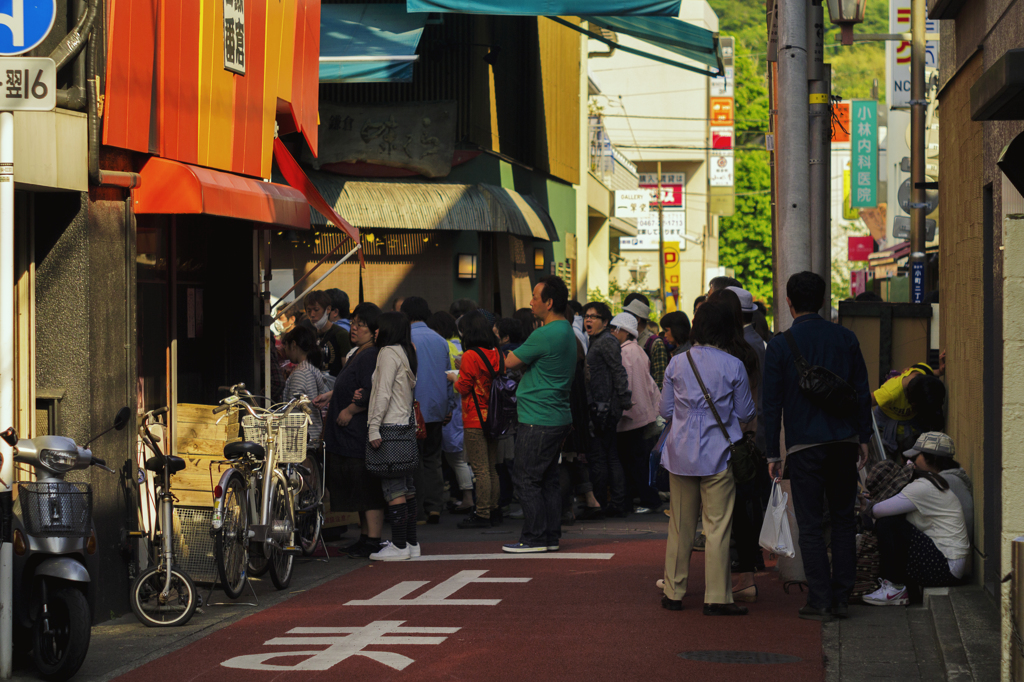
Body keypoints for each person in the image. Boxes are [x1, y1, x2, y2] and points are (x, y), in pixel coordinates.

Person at [762, 271, 872, 621]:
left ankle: (820, 600)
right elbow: (860, 390)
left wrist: (772, 453)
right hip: (843, 441)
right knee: (842, 520)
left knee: (809, 525)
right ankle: (842, 597)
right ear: (823, 300)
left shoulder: (781, 345)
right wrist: (864, 437)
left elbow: (771, 404)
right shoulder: (846, 338)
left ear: (789, 302)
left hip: (803, 446)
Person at [659, 300, 756, 616]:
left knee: (680, 526)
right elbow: (745, 412)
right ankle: (716, 597)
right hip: (719, 452)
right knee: (717, 527)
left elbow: (666, 411)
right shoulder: (733, 365)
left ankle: (673, 591)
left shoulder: (677, 361)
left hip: (680, 452)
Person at [502, 276, 578, 552]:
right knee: (547, 479)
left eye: (535, 297)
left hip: (538, 417)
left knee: (526, 478)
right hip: (556, 415)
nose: (530, 302)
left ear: (549, 302)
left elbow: (509, 362)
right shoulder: (566, 330)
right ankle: (549, 536)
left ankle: (534, 537)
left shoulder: (544, 333)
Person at [864, 433, 971, 605]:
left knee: (888, 523)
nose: (910, 460)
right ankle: (895, 587)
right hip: (949, 562)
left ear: (931, 458)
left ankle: (894, 588)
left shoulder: (924, 486)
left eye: (915, 455)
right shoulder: (937, 480)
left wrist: (866, 503)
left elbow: (878, 511)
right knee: (893, 523)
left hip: (946, 566)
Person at [323, 303, 386, 559]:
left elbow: (371, 391)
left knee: (366, 487)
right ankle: (364, 537)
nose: (355, 327)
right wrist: (330, 395)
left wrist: (350, 410)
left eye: (361, 324)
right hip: (346, 435)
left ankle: (373, 539)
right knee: (357, 489)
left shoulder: (370, 355)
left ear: (374, 331)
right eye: (354, 322)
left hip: (358, 433)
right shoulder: (359, 352)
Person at [367, 311, 420, 561]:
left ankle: (399, 546)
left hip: (389, 427)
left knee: (393, 487)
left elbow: (382, 393)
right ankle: (410, 542)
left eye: (378, 328)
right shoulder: (406, 351)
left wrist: (373, 426)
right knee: (407, 487)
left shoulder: (388, 353)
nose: (375, 331)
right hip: (405, 427)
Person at [401, 296, 454, 525]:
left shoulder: (404, 339)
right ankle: (435, 507)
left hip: (412, 409)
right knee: (433, 459)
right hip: (436, 408)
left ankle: (419, 510)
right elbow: (449, 376)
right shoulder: (440, 340)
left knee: (415, 461)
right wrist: (448, 406)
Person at [452, 311, 504, 529]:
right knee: (491, 467)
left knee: (480, 469)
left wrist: (454, 378)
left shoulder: (470, 356)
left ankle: (482, 513)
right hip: (494, 416)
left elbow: (463, 386)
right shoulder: (497, 353)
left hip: (474, 417)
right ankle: (493, 510)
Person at [609, 313, 662, 515]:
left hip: (629, 415)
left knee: (632, 462)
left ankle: (649, 500)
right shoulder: (639, 350)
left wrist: (622, 409)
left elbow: (625, 385)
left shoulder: (623, 354)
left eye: (616, 329)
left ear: (624, 331)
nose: (613, 333)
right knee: (638, 459)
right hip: (644, 412)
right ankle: (644, 499)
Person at [582, 301, 632, 518]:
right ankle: (613, 502)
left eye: (594, 316)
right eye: (586, 316)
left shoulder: (606, 341)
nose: (588, 320)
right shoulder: (596, 341)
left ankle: (606, 503)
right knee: (607, 455)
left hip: (604, 409)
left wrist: (622, 400)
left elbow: (618, 372)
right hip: (601, 407)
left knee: (603, 457)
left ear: (605, 322)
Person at [427, 311, 475, 515]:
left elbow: (450, 376)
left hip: (452, 407)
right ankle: (468, 497)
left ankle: (468, 499)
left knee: (456, 458)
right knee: (462, 457)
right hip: (465, 406)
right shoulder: (460, 343)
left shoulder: (443, 345)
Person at [872, 356, 947, 456]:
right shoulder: (890, 393)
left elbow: (931, 374)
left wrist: (939, 372)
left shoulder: (923, 373)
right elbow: (864, 402)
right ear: (911, 401)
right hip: (887, 426)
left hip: (911, 424)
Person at [280, 325, 327, 449]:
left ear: (293, 344)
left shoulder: (300, 373)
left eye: (286, 346)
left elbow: (294, 409)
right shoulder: (312, 369)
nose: (285, 350)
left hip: (302, 438)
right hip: (314, 434)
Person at [623, 294, 670, 390]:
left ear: (637, 319)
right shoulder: (625, 339)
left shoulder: (655, 343)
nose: (624, 319)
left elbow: (660, 381)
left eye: (627, 316)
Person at [304, 290, 350, 377]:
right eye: (308, 311)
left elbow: (346, 368)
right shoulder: (310, 335)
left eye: (316, 310)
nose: (312, 315)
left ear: (328, 309)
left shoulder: (341, 334)